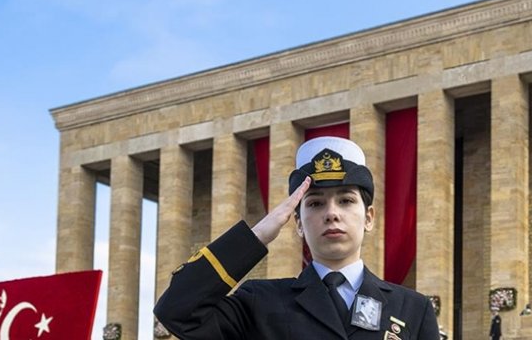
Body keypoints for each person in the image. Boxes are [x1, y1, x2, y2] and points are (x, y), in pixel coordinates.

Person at [154, 136, 440, 339]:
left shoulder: (412, 309)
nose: (332, 213)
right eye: (315, 204)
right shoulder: (260, 302)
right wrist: (259, 234)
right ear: (298, 224)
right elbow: (177, 311)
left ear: (369, 218)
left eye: (346, 201)